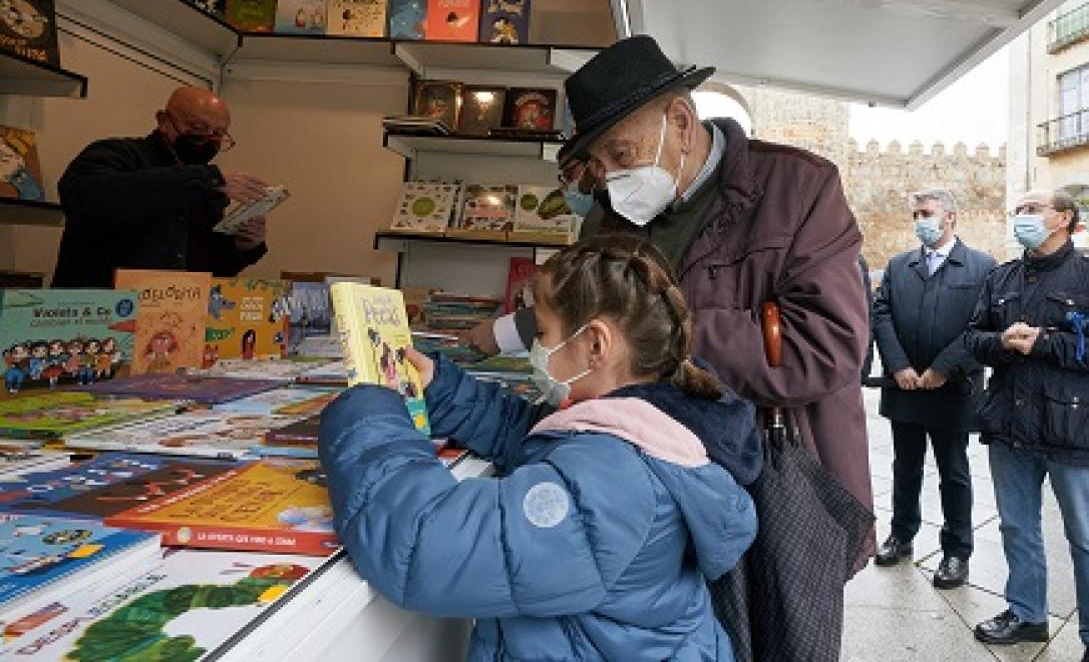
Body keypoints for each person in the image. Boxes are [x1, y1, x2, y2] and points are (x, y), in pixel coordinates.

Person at [462, 35, 873, 524]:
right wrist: (512, 331)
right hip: (647, 486)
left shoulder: (800, 189)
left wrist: (651, 336)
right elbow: (579, 312)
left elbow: (824, 346)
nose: (610, 177)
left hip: (778, 488)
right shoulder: (608, 217)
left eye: (621, 153)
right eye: (598, 163)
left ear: (679, 122)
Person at [320, 235, 761, 661]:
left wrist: (368, 413)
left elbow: (424, 544)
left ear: (595, 344)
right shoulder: (651, 424)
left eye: (543, 330)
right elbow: (535, 436)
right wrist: (441, 387)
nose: (535, 346)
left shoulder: (615, 480)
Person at [964, 189, 1089, 662]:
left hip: (1074, 427)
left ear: (1064, 218)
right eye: (1018, 211)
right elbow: (972, 338)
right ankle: (1026, 614)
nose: (1021, 217)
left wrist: (1047, 342)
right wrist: (1002, 341)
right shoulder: (1001, 277)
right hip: (1010, 424)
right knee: (1016, 527)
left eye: (1032, 209)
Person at [871, 189, 996, 589]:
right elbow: (882, 313)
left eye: (927, 213)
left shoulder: (981, 267)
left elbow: (984, 325)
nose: (920, 220)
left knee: (953, 471)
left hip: (953, 389)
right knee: (904, 467)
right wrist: (899, 365)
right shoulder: (898, 265)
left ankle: (957, 551)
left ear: (951, 217)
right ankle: (901, 535)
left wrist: (944, 367)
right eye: (916, 214)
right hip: (904, 385)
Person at [52, 86, 271, 288]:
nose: (208, 138)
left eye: (218, 133)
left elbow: (203, 266)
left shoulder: (209, 188)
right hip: (99, 313)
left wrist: (241, 246)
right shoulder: (117, 154)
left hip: (174, 315)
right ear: (164, 121)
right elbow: (86, 197)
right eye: (197, 127)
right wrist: (202, 179)